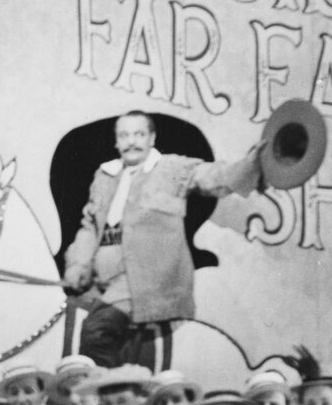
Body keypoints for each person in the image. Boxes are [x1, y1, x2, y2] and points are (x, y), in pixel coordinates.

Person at [58, 110, 272, 368]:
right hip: (102, 282)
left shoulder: (172, 168)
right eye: (124, 135)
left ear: (152, 138)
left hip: (145, 284)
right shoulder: (104, 177)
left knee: (96, 331)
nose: (132, 141)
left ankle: (108, 398)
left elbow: (215, 177)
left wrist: (252, 163)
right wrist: (77, 266)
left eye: (139, 134)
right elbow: (90, 227)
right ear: (116, 142)